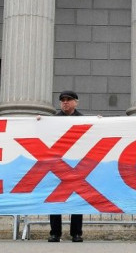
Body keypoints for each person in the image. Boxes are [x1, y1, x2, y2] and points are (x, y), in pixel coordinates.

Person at [48, 90, 84, 243]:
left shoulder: (83, 120)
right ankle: (55, 233)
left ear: (76, 102)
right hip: (58, 164)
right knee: (56, 199)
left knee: (76, 199)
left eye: (68, 99)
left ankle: (76, 233)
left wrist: (99, 122)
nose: (65, 102)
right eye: (62, 100)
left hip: (77, 164)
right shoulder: (53, 120)